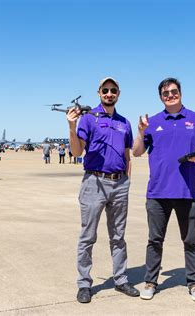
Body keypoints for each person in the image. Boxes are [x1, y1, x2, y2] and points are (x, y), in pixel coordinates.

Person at [132, 77, 195, 302]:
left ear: (180, 92)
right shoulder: (153, 121)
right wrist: (140, 131)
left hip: (187, 191)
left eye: (173, 91)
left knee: (190, 241)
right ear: (161, 97)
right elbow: (137, 152)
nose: (170, 95)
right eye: (165, 93)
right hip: (158, 192)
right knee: (154, 240)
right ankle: (150, 281)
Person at [66, 77, 139, 303]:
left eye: (113, 90)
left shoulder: (124, 123)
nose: (109, 94)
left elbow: (127, 155)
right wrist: (71, 125)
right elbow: (78, 152)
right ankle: (84, 283)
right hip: (94, 183)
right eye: (105, 90)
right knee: (88, 235)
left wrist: (126, 180)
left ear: (118, 93)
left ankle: (120, 279)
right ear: (99, 93)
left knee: (118, 236)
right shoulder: (88, 118)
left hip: (119, 184)